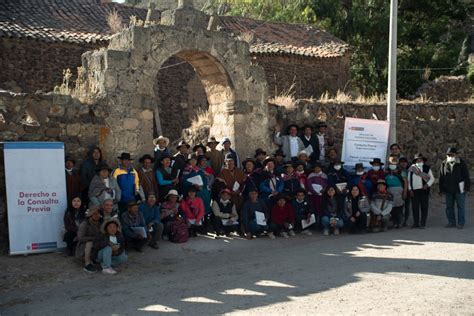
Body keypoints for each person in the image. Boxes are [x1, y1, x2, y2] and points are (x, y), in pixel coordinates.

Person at [439, 147, 470, 229]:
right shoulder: (444, 163)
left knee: (461, 206)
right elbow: (441, 177)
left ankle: (461, 223)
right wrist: (441, 188)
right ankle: (451, 222)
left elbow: (466, 175)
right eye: (448, 154)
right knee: (449, 207)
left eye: (452, 154)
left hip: (459, 189)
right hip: (448, 189)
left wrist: (467, 187)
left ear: (456, 154)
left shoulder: (461, 163)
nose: (450, 156)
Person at [408, 153, 434, 228]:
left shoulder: (427, 168)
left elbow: (432, 178)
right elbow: (409, 180)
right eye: (417, 160)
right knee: (415, 207)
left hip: (424, 190)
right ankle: (416, 223)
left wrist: (427, 185)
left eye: (420, 159)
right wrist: (410, 189)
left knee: (424, 207)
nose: (419, 161)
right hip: (414, 191)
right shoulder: (411, 168)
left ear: (423, 160)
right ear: (415, 161)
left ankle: (423, 223)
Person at [76, 205, 102, 273]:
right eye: (95, 214)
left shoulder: (99, 224)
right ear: (90, 215)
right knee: (89, 242)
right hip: (84, 246)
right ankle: (87, 264)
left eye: (98, 213)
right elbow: (80, 238)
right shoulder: (84, 224)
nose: (97, 215)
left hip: (96, 245)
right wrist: (93, 238)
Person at [385, 156, 406, 228]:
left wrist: (405, 192)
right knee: (391, 207)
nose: (392, 164)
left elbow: (406, 182)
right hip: (389, 191)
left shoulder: (401, 172)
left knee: (399, 207)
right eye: (391, 162)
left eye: (394, 162)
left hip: (398, 191)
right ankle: (393, 222)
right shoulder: (386, 172)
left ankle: (399, 222)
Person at [399, 157, 411, 226]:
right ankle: (401, 220)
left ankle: (405, 221)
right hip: (401, 191)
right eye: (401, 162)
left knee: (407, 206)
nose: (403, 163)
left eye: (404, 162)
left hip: (406, 191)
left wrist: (405, 192)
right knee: (401, 206)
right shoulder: (399, 171)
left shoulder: (407, 170)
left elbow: (406, 182)